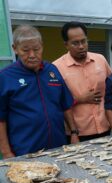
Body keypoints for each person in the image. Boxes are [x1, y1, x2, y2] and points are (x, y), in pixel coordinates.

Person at [0, 25, 79, 158]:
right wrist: (6, 152)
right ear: (15, 49)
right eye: (25, 50)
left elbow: (65, 105)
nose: (32, 55)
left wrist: (74, 133)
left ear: (42, 46)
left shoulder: (52, 70)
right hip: (25, 151)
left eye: (36, 49)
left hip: (58, 148)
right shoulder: (5, 77)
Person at [54, 22, 112, 142]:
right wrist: (79, 99)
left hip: (105, 127)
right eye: (75, 43)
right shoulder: (56, 68)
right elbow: (56, 102)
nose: (81, 46)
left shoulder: (100, 60)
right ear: (66, 45)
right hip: (77, 134)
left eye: (84, 41)